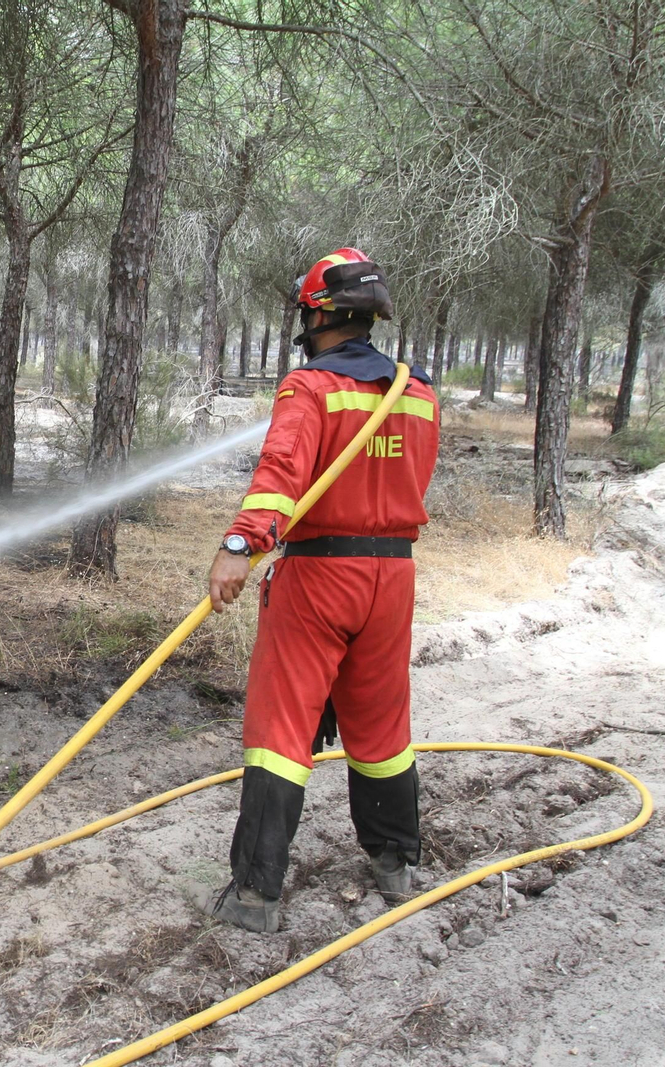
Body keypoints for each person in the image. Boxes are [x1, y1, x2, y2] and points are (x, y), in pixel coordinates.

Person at [192, 248, 440, 934]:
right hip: (392, 577)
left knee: (280, 730)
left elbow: (280, 475)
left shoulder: (311, 388)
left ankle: (254, 896)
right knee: (383, 726)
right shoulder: (416, 393)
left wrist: (240, 545)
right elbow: (407, 484)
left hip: (319, 575)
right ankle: (396, 864)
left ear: (317, 314)